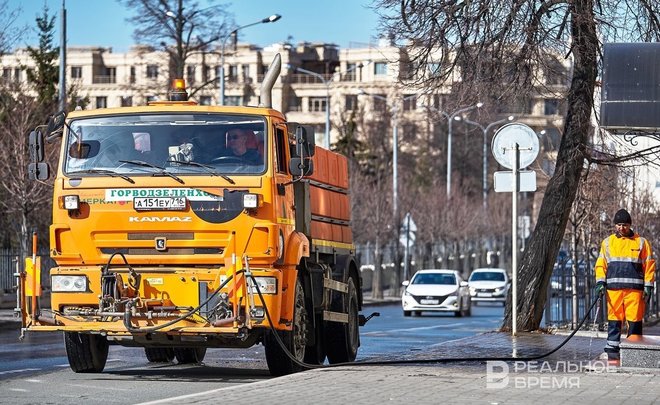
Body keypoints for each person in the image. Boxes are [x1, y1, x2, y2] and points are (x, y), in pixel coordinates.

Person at [594, 208, 655, 359]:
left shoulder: (641, 243)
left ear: (630, 225)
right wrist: (600, 283)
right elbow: (601, 264)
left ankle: (634, 353)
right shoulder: (608, 243)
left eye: (625, 225)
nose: (622, 228)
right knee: (614, 320)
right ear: (615, 225)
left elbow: (649, 265)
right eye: (619, 225)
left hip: (634, 291)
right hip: (614, 291)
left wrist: (648, 285)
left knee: (634, 320)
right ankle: (612, 352)